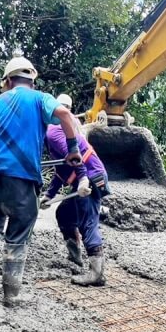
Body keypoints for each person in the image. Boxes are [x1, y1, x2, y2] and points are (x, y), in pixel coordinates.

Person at [0, 52, 81, 305]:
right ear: (31, 81)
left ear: (8, 80)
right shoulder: (40, 99)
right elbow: (65, 116)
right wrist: (73, 149)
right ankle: (10, 296)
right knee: (17, 238)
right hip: (22, 178)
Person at [40, 110, 109, 287]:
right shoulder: (52, 137)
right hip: (83, 176)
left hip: (91, 177)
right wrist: (49, 195)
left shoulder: (52, 132)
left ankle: (97, 273)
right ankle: (75, 257)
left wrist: (83, 179)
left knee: (87, 222)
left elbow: (74, 156)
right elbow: (61, 170)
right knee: (64, 213)